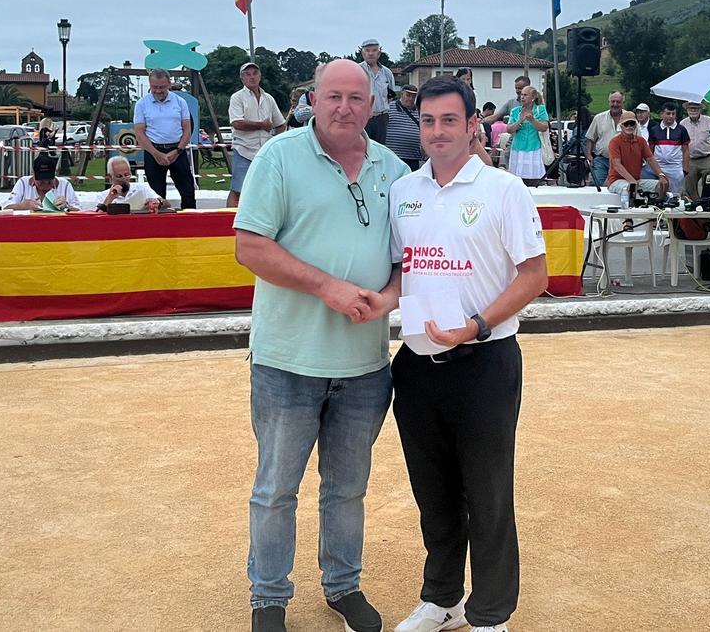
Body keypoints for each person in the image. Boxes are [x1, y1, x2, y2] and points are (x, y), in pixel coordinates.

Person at [233, 59, 408, 632]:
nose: (344, 108)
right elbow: (251, 247)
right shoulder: (279, 157)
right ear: (312, 98)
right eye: (333, 96)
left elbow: (412, 260)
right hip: (289, 360)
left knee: (348, 489)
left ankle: (342, 584)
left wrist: (388, 296)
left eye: (356, 98)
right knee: (276, 489)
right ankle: (268, 596)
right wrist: (326, 286)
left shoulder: (393, 170)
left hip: (364, 365)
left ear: (372, 104)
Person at [387, 76, 547, 632]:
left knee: (488, 494)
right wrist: (369, 301)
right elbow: (399, 273)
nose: (437, 132)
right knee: (433, 494)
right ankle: (443, 599)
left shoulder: (504, 190)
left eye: (449, 120)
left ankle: (490, 614)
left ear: (472, 124)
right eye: (428, 121)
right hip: (415, 366)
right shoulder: (403, 192)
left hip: (485, 361)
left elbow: (534, 275)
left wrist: (478, 326)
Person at [133, 68, 196, 210]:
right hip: (153, 151)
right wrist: (156, 154)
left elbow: (187, 129)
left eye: (162, 87)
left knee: (188, 191)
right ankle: (158, 227)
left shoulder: (180, 102)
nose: (158, 91)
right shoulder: (142, 104)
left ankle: (191, 222)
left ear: (169, 84)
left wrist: (178, 150)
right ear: (149, 84)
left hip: (177, 150)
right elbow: (140, 133)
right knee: (156, 196)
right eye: (154, 87)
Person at [227, 62, 286, 208]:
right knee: (237, 190)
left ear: (260, 77)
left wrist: (274, 142)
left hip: (265, 151)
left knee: (267, 189)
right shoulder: (237, 97)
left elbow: (281, 124)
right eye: (247, 74)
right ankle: (226, 220)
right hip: (244, 150)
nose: (252, 77)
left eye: (255, 73)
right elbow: (237, 123)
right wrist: (261, 125)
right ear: (242, 79)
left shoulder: (269, 99)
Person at [607, 111, 669, 198]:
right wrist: (631, 181)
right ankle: (631, 210)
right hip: (616, 181)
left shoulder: (641, 141)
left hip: (636, 180)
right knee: (630, 188)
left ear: (635, 125)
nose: (629, 126)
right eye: (626, 124)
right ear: (621, 126)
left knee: (661, 185)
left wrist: (661, 175)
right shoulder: (615, 142)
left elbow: (650, 159)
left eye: (631, 123)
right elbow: (616, 165)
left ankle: (657, 207)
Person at [4, 153, 82, 210]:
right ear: (33, 175)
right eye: (41, 179)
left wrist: (67, 206)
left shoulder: (64, 185)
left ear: (54, 174)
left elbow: (79, 210)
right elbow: (7, 208)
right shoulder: (23, 183)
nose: (45, 182)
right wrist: (24, 206)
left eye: (49, 179)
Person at [505, 84, 549, 186]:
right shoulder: (515, 111)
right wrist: (520, 121)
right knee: (517, 179)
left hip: (534, 148)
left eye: (525, 95)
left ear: (533, 97)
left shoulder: (540, 109)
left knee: (534, 178)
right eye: (521, 94)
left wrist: (533, 120)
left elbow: (544, 127)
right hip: (518, 148)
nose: (522, 97)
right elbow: (509, 129)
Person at [359, 38, 395, 145]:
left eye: (374, 50)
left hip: (381, 118)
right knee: (361, 147)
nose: (370, 53)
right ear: (363, 53)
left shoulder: (387, 73)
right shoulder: (356, 70)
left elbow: (391, 95)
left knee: (380, 149)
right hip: (362, 117)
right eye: (367, 50)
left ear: (379, 53)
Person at [584, 91, 625, 188]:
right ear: (609, 102)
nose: (615, 104)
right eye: (613, 101)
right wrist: (589, 155)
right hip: (602, 160)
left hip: (623, 162)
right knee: (596, 185)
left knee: (618, 187)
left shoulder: (629, 118)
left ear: (623, 103)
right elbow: (590, 138)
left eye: (618, 102)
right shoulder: (599, 118)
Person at [647, 102, 689, 195]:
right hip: (659, 167)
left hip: (676, 168)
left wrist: (685, 168)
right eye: (668, 113)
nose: (671, 116)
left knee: (675, 195)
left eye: (673, 114)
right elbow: (650, 150)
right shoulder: (654, 130)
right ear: (662, 114)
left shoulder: (681, 130)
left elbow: (686, 150)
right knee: (659, 192)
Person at [97, 156, 161, 211]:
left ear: (130, 173)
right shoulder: (103, 196)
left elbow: (165, 203)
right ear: (110, 177)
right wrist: (110, 198)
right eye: (119, 176)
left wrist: (156, 203)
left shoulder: (143, 189)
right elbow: (97, 218)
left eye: (126, 175)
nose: (124, 179)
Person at [681, 101, 710, 200]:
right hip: (690, 159)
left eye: (695, 108)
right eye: (691, 108)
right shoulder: (683, 123)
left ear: (700, 109)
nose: (693, 110)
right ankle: (694, 205)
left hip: (706, 158)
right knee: (689, 184)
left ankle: (708, 203)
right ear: (687, 109)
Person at [385, 83, 423, 170]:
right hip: (393, 157)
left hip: (413, 158)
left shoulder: (420, 111)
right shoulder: (389, 108)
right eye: (408, 95)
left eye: (413, 96)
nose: (410, 99)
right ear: (402, 94)